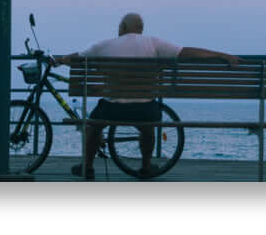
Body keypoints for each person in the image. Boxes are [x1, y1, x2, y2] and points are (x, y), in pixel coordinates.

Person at [52, 12, 242, 179]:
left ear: (123, 27)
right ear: (140, 29)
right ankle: (145, 166)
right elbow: (187, 52)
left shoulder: (104, 45)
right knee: (148, 125)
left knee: (93, 126)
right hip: (144, 110)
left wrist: (58, 60)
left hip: (112, 109)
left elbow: (75, 58)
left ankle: (88, 167)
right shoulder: (153, 43)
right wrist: (222, 55)